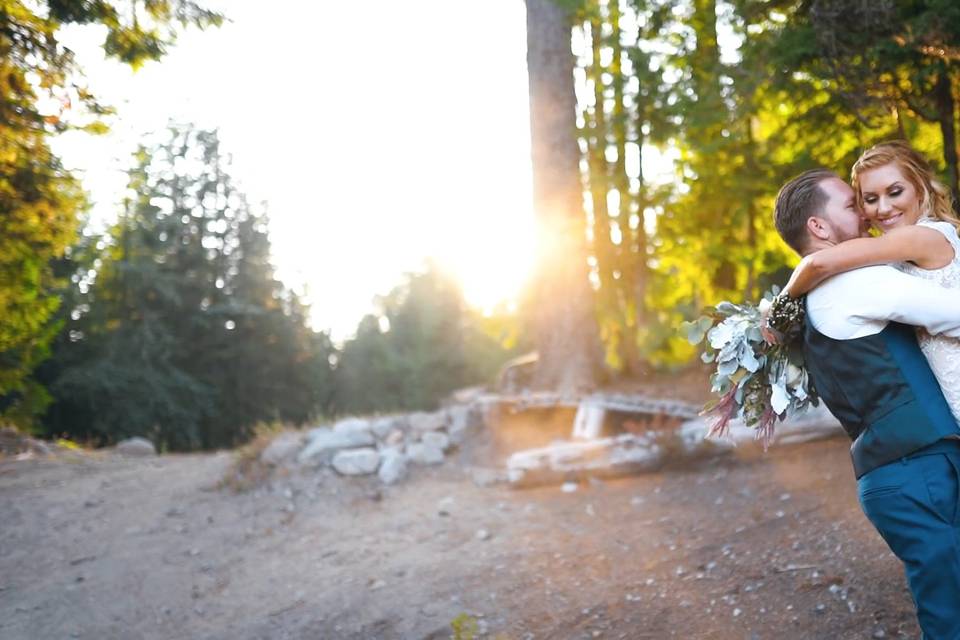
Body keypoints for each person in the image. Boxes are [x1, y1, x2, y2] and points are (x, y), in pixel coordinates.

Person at [772, 168, 960, 639]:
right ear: (819, 227)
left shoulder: (817, 294)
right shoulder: (852, 284)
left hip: (900, 471)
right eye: (852, 205)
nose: (867, 211)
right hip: (916, 470)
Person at [781, 141, 960, 422]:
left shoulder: (925, 235)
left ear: (920, 188)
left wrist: (783, 301)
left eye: (895, 192)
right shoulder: (889, 254)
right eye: (870, 199)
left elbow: (819, 262)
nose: (883, 208)